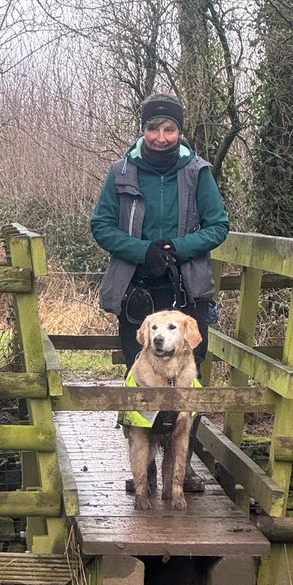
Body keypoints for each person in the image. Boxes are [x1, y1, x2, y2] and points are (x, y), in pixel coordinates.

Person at [91, 93, 229, 492]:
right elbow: (101, 225)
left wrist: (176, 248)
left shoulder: (198, 173)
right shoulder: (121, 172)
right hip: (138, 291)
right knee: (140, 377)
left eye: (169, 129)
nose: (161, 136)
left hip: (187, 291)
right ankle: (145, 469)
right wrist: (143, 251)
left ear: (180, 131)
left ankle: (179, 471)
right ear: (143, 129)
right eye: (153, 128)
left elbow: (218, 225)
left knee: (190, 379)